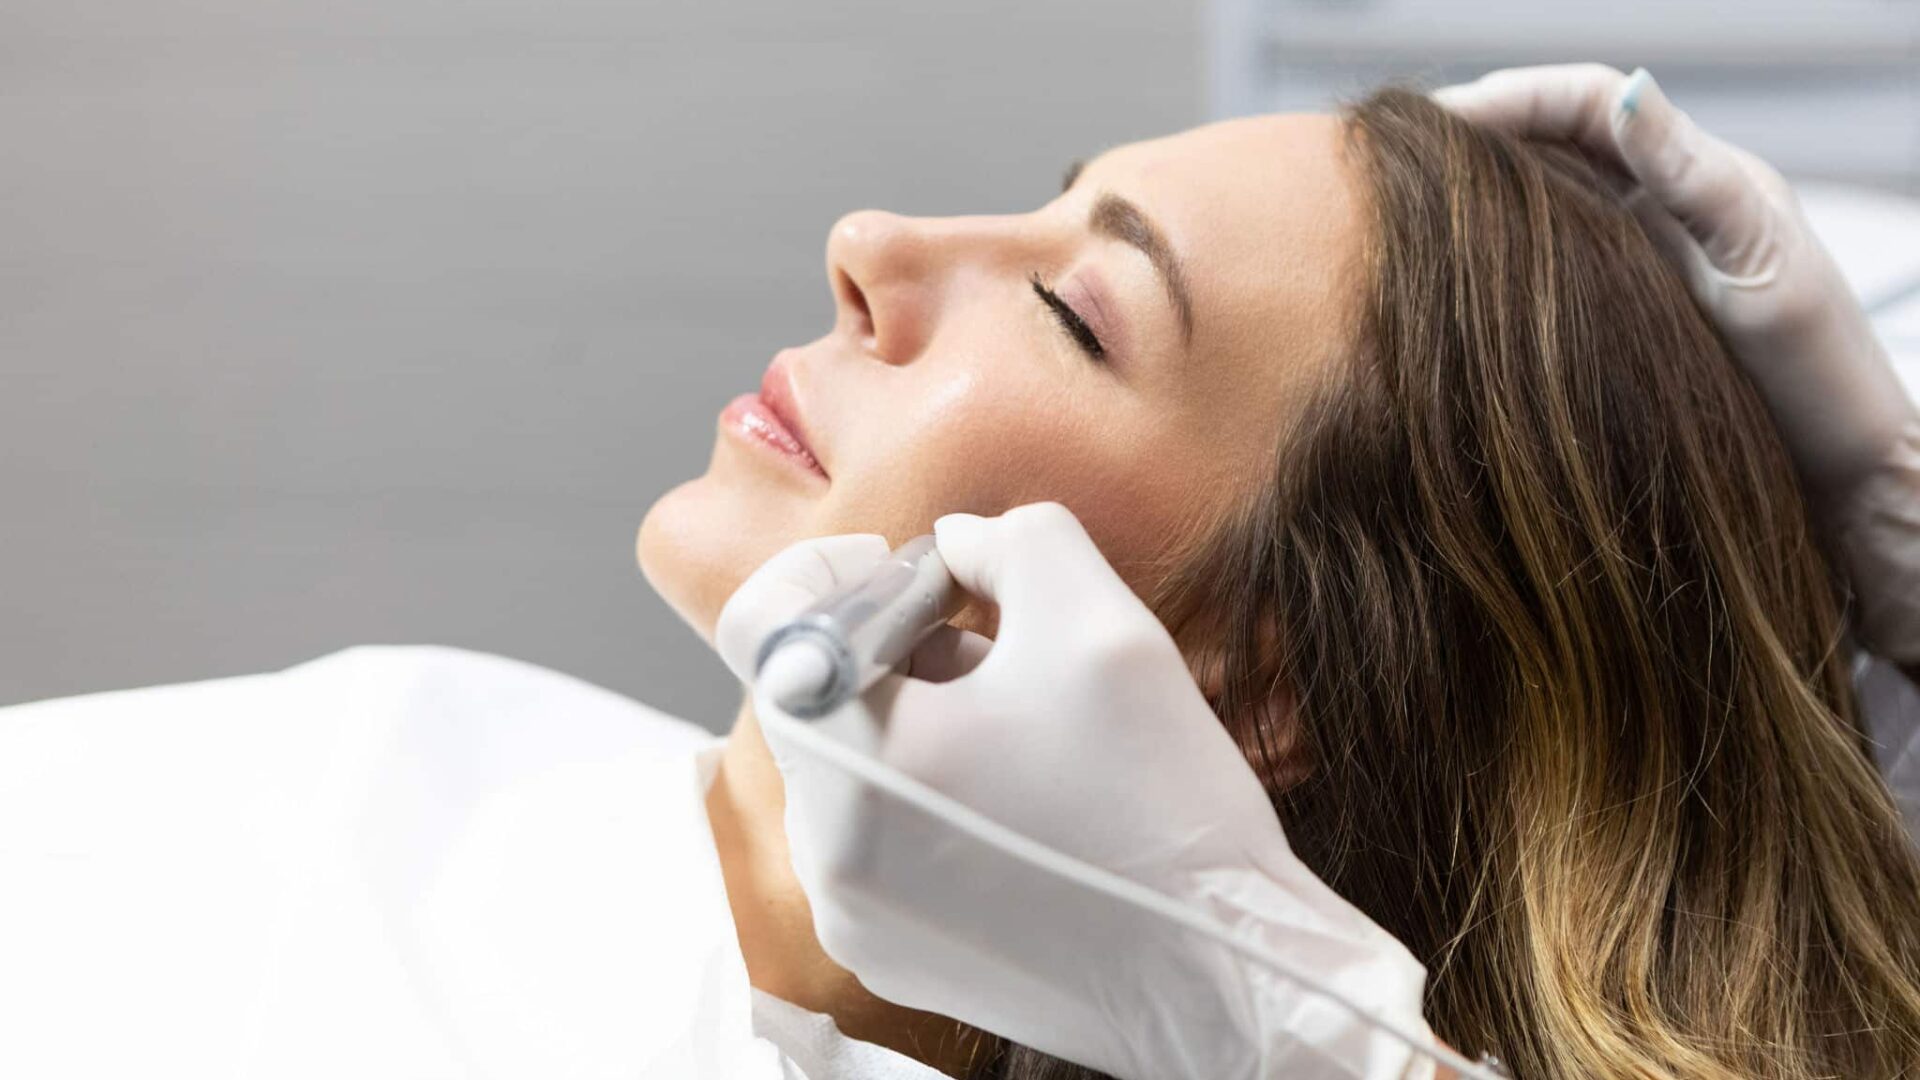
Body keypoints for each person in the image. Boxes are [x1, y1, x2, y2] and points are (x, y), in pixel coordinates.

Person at [0, 70, 1916, 1080]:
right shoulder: (370, 760)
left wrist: (1289, 1032)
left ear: (1261, 688)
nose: (872, 238)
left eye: (1078, 310)